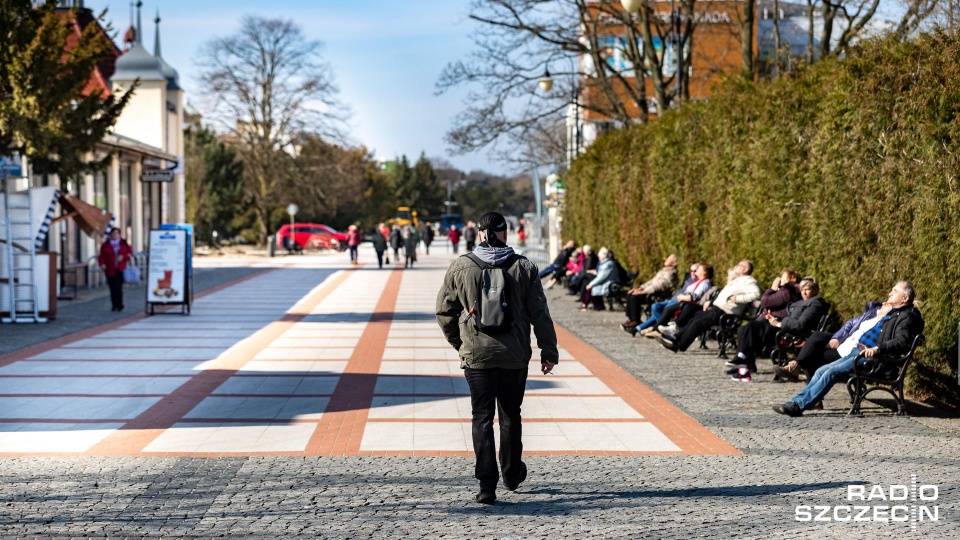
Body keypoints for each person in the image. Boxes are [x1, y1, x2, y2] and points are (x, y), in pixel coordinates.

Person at [436, 211, 559, 505]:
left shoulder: (461, 266)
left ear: (479, 234)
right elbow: (539, 313)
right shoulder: (524, 267)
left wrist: (461, 343)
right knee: (510, 414)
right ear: (506, 233)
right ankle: (512, 473)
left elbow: (444, 313)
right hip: (514, 355)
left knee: (481, 417)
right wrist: (549, 351)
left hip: (476, 355)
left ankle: (487, 485)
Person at [773, 281, 923, 416]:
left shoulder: (907, 317)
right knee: (821, 371)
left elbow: (901, 341)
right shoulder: (893, 313)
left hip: (874, 359)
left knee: (831, 372)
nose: (890, 292)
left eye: (895, 291)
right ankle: (799, 402)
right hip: (858, 352)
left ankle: (798, 406)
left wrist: (878, 349)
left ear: (904, 299)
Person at [727, 277, 828, 380]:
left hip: (790, 335)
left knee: (750, 329)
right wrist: (774, 319)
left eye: (807, 289)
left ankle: (742, 363)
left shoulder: (815, 303)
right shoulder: (803, 302)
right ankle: (742, 362)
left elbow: (800, 324)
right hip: (783, 330)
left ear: (815, 290)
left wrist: (779, 323)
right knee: (745, 329)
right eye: (802, 290)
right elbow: (790, 318)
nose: (804, 292)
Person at [658, 259, 761, 353]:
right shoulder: (738, 280)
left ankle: (679, 344)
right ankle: (675, 338)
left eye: (738, 265)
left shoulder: (749, 281)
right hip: (717, 309)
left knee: (698, 323)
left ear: (745, 269)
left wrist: (738, 299)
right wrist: (711, 303)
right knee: (694, 317)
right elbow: (723, 296)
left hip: (726, 314)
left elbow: (756, 293)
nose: (735, 266)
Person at [773, 300, 883, 382]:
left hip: (853, 351)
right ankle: (796, 366)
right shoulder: (874, 311)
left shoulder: (890, 319)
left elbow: (801, 325)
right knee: (817, 336)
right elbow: (850, 324)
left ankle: (795, 367)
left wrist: (780, 323)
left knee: (810, 354)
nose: (887, 299)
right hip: (846, 341)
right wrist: (837, 338)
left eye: (893, 292)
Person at [636, 263, 712, 337]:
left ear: (704, 272)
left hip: (688, 303)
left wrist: (682, 297)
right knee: (658, 307)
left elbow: (695, 297)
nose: (695, 271)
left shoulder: (705, 283)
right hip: (681, 301)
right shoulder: (696, 281)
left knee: (667, 309)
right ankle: (654, 328)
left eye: (698, 269)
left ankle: (655, 329)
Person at [621, 254, 679, 330]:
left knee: (635, 297)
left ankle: (636, 320)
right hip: (649, 292)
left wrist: (643, 292)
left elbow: (659, 286)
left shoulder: (671, 273)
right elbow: (651, 281)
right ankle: (631, 319)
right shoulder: (663, 271)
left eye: (668, 259)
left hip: (656, 294)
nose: (666, 260)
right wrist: (640, 288)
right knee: (630, 294)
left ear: (674, 263)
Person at [98, 228, 133, 312]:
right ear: (110, 234)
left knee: (119, 287)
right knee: (112, 287)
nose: (115, 235)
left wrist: (124, 257)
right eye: (113, 233)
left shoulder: (123, 243)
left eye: (117, 233)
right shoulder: (106, 244)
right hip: (110, 269)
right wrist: (102, 264)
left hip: (120, 268)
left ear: (119, 234)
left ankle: (120, 304)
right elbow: (101, 256)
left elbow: (130, 253)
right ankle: (114, 305)